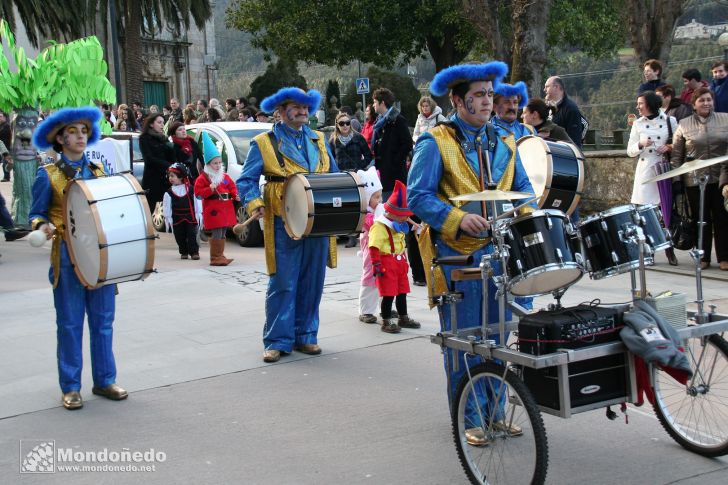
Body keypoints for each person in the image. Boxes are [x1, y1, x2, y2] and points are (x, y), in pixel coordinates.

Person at [408, 61, 535, 446]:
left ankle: (495, 413)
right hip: (457, 256)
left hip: (501, 254)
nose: (486, 102)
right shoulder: (435, 141)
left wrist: (526, 217)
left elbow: (525, 190)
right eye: (478, 95)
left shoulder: (508, 142)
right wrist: (457, 218)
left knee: (498, 338)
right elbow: (418, 197)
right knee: (465, 340)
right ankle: (470, 417)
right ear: (457, 100)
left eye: (489, 95)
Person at [29, 107, 128, 410]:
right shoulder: (47, 175)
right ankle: (71, 387)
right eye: (72, 132)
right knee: (70, 323)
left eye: (84, 131)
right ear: (59, 138)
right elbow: (35, 214)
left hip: (98, 255)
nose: (80, 137)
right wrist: (41, 226)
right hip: (67, 256)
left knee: (103, 321)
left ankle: (105, 379)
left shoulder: (98, 172)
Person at [237, 87, 339, 363]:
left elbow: (334, 175)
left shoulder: (319, 139)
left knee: (313, 280)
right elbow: (245, 181)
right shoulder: (264, 142)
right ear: (279, 112)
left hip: (318, 219)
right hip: (284, 220)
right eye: (295, 106)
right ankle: (277, 340)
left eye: (306, 106)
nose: (303, 111)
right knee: (283, 280)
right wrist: (254, 202)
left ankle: (306, 335)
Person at [671, 87, 728, 271]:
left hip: (722, 178)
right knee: (700, 218)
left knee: (723, 218)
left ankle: (724, 257)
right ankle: (702, 256)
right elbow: (677, 156)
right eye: (702, 100)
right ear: (694, 104)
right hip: (694, 180)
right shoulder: (684, 124)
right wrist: (677, 181)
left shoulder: (725, 119)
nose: (706, 103)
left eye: (709, 100)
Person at [626, 90, 679, 265]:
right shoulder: (638, 124)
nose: (638, 107)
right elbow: (630, 151)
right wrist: (640, 144)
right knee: (645, 214)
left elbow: (680, 143)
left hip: (663, 169)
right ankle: (649, 251)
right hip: (645, 169)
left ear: (650, 104)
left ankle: (669, 250)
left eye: (641, 103)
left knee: (665, 212)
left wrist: (669, 147)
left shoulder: (670, 121)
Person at [368, 180, 421, 333]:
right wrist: (376, 264)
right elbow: (374, 246)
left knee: (402, 291)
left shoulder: (398, 224)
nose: (406, 218)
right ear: (393, 213)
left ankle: (403, 317)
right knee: (388, 294)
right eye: (404, 216)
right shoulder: (380, 226)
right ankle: (386, 321)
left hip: (399, 263)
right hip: (386, 262)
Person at [329, 111, 373, 248]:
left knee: (359, 206)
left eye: (348, 123)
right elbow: (330, 159)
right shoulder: (333, 140)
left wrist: (360, 167)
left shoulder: (358, 138)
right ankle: (351, 236)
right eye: (342, 123)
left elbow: (368, 156)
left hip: (357, 176)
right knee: (345, 206)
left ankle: (363, 233)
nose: (345, 126)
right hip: (341, 177)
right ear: (337, 125)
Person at [195, 132, 238, 266]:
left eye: (219, 162)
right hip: (213, 209)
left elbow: (231, 186)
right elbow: (198, 194)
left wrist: (235, 194)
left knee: (223, 231)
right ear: (208, 164)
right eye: (215, 163)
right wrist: (210, 189)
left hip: (225, 207)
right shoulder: (203, 178)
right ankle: (215, 257)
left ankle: (221, 255)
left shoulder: (223, 176)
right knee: (217, 232)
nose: (218, 165)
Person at [371, 88, 412, 196]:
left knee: (395, 208)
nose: (373, 105)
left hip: (395, 175)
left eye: (375, 102)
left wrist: (394, 161)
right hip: (383, 172)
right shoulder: (379, 121)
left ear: (382, 103)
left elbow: (407, 144)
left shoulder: (398, 120)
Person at [356, 166, 384, 324]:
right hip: (371, 251)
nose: (379, 201)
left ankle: (384, 306)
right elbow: (372, 225)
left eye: (380, 197)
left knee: (384, 277)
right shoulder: (366, 214)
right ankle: (366, 310)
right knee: (370, 278)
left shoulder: (378, 210)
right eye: (375, 197)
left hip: (384, 250)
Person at [163, 163, 201, 260]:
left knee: (192, 234)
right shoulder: (169, 192)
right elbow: (168, 207)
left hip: (190, 217)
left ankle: (194, 252)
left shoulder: (190, 189)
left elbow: (196, 202)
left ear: (180, 177)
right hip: (177, 217)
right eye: (169, 176)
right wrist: (168, 217)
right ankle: (183, 251)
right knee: (179, 235)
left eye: (173, 176)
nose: (170, 178)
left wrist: (198, 213)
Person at [139, 113, 175, 212]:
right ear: (151, 124)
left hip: (166, 179)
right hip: (152, 179)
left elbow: (171, 156)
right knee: (150, 208)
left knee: (168, 208)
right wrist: (168, 165)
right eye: (159, 122)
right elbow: (149, 158)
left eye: (163, 123)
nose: (162, 125)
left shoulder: (164, 138)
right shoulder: (144, 138)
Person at [544, 76, 587, 148]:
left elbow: (575, 141)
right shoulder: (547, 107)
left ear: (556, 87)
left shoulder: (570, 109)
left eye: (547, 87)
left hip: (563, 155)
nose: (544, 89)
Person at [1, 111, 12, 182]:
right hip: (3, 147)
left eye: (0, 116)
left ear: (4, 117)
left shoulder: (6, 126)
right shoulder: (2, 126)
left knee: (6, 162)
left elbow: (7, 139)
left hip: (6, 147)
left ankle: (6, 177)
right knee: (5, 162)